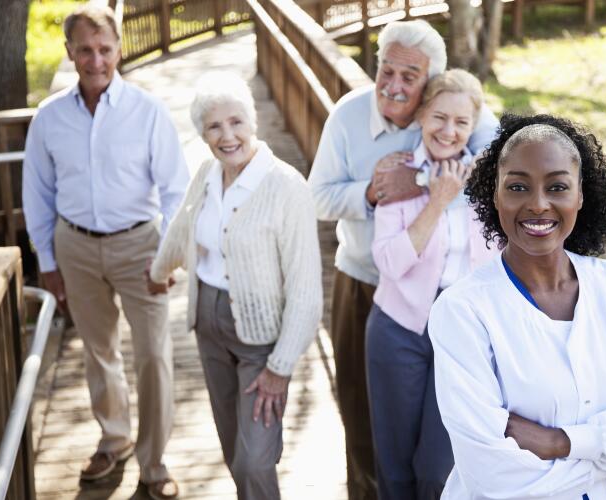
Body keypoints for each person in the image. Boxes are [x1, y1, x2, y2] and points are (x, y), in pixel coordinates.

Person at [428, 114, 606, 499]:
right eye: (518, 187)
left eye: (557, 186)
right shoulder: (462, 311)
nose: (538, 204)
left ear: (580, 195)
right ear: (495, 196)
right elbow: (493, 476)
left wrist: (562, 442)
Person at [308, 20, 498, 499]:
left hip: (449, 305)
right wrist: (372, 192)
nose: (393, 86)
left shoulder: (456, 116)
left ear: (432, 81)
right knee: (360, 414)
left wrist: (420, 184)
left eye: (408, 77)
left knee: (437, 449)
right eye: (385, 71)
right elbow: (318, 199)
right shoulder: (347, 116)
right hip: (366, 282)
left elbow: (495, 167)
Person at [22, 5, 188, 498]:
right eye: (86, 50)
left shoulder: (148, 111)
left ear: (118, 50)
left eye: (105, 49)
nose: (96, 60)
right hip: (74, 246)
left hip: (140, 245)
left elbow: (177, 190)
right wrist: (47, 263)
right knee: (99, 352)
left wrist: (169, 257)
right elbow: (38, 194)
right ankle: (113, 439)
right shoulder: (48, 119)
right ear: (70, 53)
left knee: (154, 355)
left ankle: (154, 463)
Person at [146, 71, 322, 500]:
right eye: (214, 126)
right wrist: (159, 271)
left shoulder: (286, 187)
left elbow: (305, 290)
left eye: (236, 121)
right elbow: (184, 225)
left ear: (253, 121)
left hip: (260, 339)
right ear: (202, 134)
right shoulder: (208, 171)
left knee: (255, 458)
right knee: (232, 448)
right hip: (207, 325)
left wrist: (280, 369)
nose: (228, 135)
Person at [366, 69, 500, 500]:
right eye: (440, 117)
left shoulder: (486, 180)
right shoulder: (397, 171)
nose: (449, 131)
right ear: (422, 114)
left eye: (461, 122)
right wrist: (436, 201)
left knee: (440, 465)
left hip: (462, 333)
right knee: (395, 464)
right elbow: (389, 261)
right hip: (399, 328)